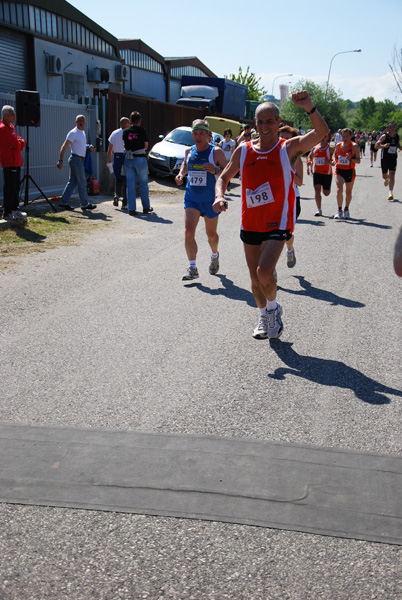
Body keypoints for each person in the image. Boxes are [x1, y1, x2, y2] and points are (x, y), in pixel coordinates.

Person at [213, 92, 328, 340]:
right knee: (255, 280)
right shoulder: (243, 151)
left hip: (278, 222)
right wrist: (219, 196)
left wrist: (309, 107)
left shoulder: (288, 148)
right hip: (251, 222)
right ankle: (264, 315)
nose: (264, 127)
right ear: (255, 124)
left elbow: (320, 134)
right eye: (260, 122)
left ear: (278, 122)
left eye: (269, 121)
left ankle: (274, 309)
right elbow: (223, 177)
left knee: (264, 272)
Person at [175, 119, 227, 281]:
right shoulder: (189, 151)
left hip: (211, 200)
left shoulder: (215, 152)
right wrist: (181, 175)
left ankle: (214, 255)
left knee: (211, 234)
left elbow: (227, 173)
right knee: (188, 231)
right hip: (192, 199)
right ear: (192, 134)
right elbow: (185, 165)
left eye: (202, 133)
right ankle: (192, 267)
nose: (198, 136)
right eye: (196, 133)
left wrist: (215, 169)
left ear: (207, 135)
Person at [57, 114, 97, 211]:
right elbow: (64, 146)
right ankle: (84, 204)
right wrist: (60, 160)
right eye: (79, 120)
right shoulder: (73, 132)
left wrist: (88, 147)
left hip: (79, 160)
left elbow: (80, 145)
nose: (81, 122)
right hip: (76, 160)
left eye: (83, 120)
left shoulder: (82, 132)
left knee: (72, 182)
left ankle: (63, 202)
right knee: (82, 182)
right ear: (76, 122)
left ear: (85, 122)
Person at [278, 126, 303, 268]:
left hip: (291, 199)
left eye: (287, 139)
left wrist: (289, 171)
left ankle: (290, 250)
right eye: (281, 139)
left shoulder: (296, 158)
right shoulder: (271, 156)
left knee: (286, 235)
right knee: (271, 235)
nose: (284, 142)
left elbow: (300, 181)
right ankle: (271, 269)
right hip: (273, 198)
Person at [122, 111, 153, 216]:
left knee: (130, 184)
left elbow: (124, 145)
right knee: (143, 183)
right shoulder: (142, 131)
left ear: (130, 121)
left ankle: (131, 208)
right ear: (139, 121)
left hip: (128, 158)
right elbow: (146, 146)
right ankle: (146, 207)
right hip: (140, 158)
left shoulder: (125, 131)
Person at [0, 105, 26, 220]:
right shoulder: (2, 128)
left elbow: (20, 142)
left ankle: (15, 209)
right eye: (12, 114)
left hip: (16, 161)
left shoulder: (11, 127)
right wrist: (18, 143)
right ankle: (7, 211)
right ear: (5, 116)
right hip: (9, 162)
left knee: (15, 186)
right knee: (10, 187)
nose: (14, 116)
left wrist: (19, 142)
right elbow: (16, 144)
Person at [333, 128, 360, 219]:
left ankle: (346, 209)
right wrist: (333, 160)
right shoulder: (338, 145)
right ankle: (339, 210)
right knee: (339, 189)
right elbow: (334, 155)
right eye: (343, 136)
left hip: (349, 171)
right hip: (339, 170)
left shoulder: (354, 146)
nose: (345, 138)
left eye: (347, 136)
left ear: (350, 136)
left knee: (348, 192)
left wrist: (351, 159)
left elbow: (358, 160)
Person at [309, 132, 334, 216]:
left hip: (327, 173)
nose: (322, 138)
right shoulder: (315, 148)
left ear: (327, 137)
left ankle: (327, 190)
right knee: (316, 189)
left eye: (324, 137)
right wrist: (309, 162)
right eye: (320, 137)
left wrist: (330, 161)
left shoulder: (330, 149)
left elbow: (335, 159)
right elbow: (310, 156)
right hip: (317, 172)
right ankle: (319, 209)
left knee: (326, 193)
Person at [107, 117, 130, 209]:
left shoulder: (114, 133)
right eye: (128, 123)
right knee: (125, 179)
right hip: (125, 156)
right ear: (125, 124)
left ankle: (116, 195)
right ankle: (124, 203)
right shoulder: (128, 133)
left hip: (116, 156)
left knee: (118, 177)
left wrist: (109, 159)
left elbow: (110, 149)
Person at [375, 122, 401, 202]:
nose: (392, 128)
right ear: (387, 129)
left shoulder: (397, 136)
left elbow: (398, 145)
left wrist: (400, 147)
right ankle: (387, 178)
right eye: (390, 127)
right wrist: (383, 146)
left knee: (392, 175)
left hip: (393, 158)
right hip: (385, 158)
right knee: (384, 176)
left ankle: (390, 193)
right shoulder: (384, 136)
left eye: (393, 127)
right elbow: (376, 145)